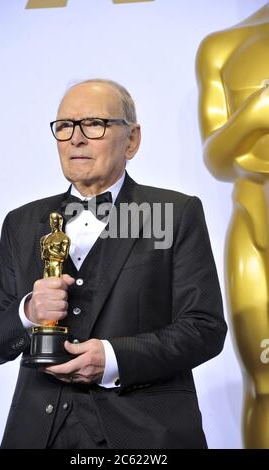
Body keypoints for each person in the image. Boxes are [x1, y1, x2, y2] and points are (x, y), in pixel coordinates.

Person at [0, 78, 227, 449]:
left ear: (132, 139)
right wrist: (28, 311)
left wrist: (112, 358)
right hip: (36, 435)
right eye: (64, 126)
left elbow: (204, 329)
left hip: (144, 437)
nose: (75, 138)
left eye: (94, 124)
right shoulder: (21, 222)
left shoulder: (173, 214)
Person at [196, 3, 269, 448]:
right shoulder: (221, 46)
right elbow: (217, 159)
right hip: (255, 229)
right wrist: (256, 114)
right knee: (264, 384)